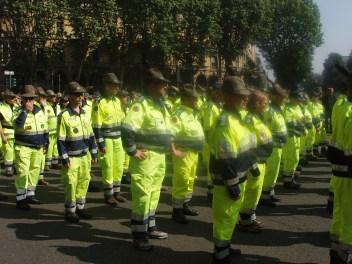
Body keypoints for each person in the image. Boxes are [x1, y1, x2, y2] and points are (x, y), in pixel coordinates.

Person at [121, 68, 173, 251]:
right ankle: (139, 234)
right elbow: (127, 128)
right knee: (143, 195)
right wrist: (132, 151)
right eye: (161, 83)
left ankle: (150, 227)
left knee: (154, 193)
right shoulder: (141, 105)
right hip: (146, 158)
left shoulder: (160, 105)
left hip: (159, 157)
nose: (165, 86)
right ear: (151, 85)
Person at [209, 76, 257, 264]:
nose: (245, 100)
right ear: (227, 97)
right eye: (240, 96)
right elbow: (225, 158)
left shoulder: (238, 118)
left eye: (245, 96)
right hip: (228, 179)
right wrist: (232, 185)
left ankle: (225, 247)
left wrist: (252, 166)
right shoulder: (225, 122)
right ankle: (220, 254)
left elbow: (245, 145)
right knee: (225, 216)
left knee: (230, 216)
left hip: (239, 176)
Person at [57, 81, 98, 223]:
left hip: (85, 156)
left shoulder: (86, 113)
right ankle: (70, 210)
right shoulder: (64, 116)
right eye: (76, 95)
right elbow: (60, 140)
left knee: (84, 181)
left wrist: (94, 153)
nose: (80, 97)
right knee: (71, 183)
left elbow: (91, 135)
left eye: (81, 95)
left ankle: (80, 208)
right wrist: (64, 158)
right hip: (72, 157)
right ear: (69, 97)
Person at [238, 89, 273, 233]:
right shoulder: (249, 119)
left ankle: (250, 217)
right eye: (265, 102)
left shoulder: (258, 117)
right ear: (256, 103)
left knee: (255, 191)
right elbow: (246, 143)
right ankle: (245, 221)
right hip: (253, 162)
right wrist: (253, 162)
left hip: (261, 160)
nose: (267, 104)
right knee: (251, 190)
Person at [170, 84, 205, 224]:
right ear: (186, 99)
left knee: (190, 180)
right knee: (181, 180)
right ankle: (176, 211)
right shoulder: (179, 114)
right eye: (194, 99)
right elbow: (170, 134)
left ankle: (185, 205)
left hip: (193, 153)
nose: (196, 102)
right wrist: (173, 150)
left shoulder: (191, 113)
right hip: (183, 153)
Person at [328, 67, 352, 264]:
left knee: (341, 213)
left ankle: (337, 251)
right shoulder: (349, 110)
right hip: (349, 171)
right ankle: (343, 255)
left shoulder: (340, 105)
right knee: (350, 220)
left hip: (340, 169)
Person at [92, 73, 126, 206]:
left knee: (119, 166)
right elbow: (96, 126)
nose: (117, 88)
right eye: (114, 85)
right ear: (106, 86)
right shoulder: (99, 102)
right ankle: (108, 194)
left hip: (118, 138)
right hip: (106, 139)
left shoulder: (117, 101)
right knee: (108, 166)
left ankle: (117, 192)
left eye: (118, 85)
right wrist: (100, 144)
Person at [14, 85, 49, 210]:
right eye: (26, 98)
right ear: (22, 99)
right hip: (23, 147)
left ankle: (30, 194)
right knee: (23, 172)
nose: (29, 101)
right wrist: (25, 111)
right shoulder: (18, 110)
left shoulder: (39, 110)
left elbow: (44, 127)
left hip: (38, 147)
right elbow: (17, 124)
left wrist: (46, 142)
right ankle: (20, 198)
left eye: (32, 99)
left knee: (35, 170)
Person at [261, 84, 288, 207]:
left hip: (279, 146)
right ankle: (264, 196)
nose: (284, 100)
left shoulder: (278, 109)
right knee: (270, 170)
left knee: (275, 171)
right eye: (282, 97)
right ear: (275, 97)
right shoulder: (268, 110)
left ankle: (270, 192)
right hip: (271, 146)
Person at [199, 81, 223, 201]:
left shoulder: (216, 105)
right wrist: (213, 144)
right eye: (219, 92)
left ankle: (212, 190)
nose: (222, 94)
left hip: (214, 142)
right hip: (210, 143)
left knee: (214, 167)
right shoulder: (211, 106)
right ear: (214, 92)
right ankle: (211, 192)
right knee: (211, 168)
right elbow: (208, 128)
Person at [281, 90, 306, 189]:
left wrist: (301, 124)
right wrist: (300, 124)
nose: (299, 101)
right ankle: (287, 181)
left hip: (297, 137)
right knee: (290, 159)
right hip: (290, 137)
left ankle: (291, 177)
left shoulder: (297, 108)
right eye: (297, 99)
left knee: (295, 158)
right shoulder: (287, 109)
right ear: (291, 98)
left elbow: (301, 120)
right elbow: (289, 123)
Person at [0, 89, 19, 177]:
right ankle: (8, 169)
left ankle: (15, 167)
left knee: (16, 151)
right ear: (6, 98)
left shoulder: (17, 106)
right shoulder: (1, 107)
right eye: (11, 97)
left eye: (13, 97)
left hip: (17, 132)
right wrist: (2, 136)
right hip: (7, 132)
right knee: (8, 151)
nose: (13, 98)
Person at [35, 87, 50, 186]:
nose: (44, 98)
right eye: (42, 96)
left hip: (44, 133)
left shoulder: (44, 106)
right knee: (36, 160)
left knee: (42, 158)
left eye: (44, 96)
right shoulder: (35, 106)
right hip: (36, 134)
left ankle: (41, 177)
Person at [45, 89, 61, 169]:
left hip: (56, 131)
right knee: (49, 148)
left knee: (55, 148)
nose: (54, 97)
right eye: (52, 96)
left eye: (54, 96)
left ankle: (55, 162)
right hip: (49, 131)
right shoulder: (45, 106)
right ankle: (47, 164)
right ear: (47, 97)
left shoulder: (57, 106)